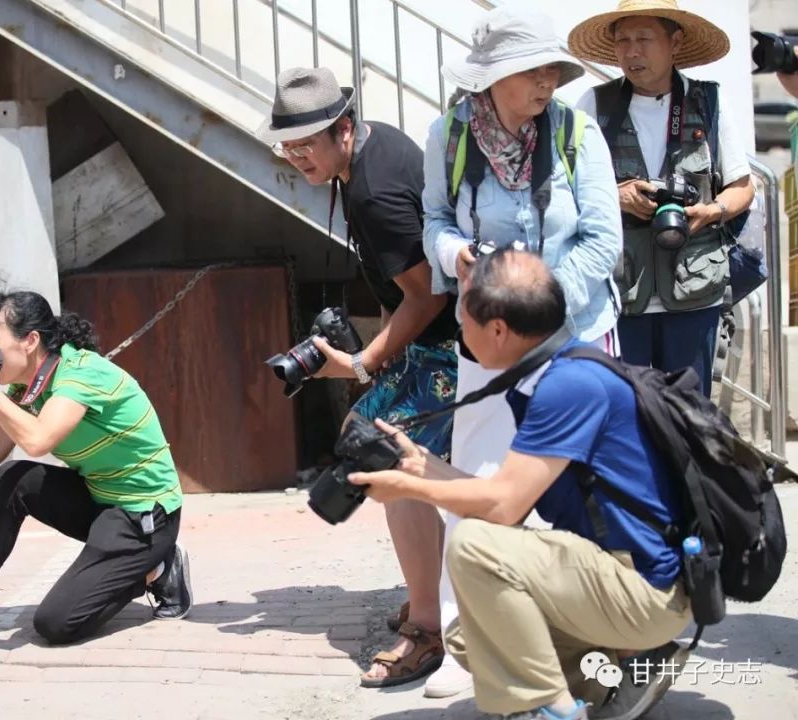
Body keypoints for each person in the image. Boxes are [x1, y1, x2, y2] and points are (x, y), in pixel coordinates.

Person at [350, 250, 691, 720]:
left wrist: (412, 489)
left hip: (647, 590)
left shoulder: (570, 385)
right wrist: (417, 463)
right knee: (471, 636)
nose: (460, 336)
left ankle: (549, 709)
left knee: (473, 544)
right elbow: (508, 493)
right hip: (616, 573)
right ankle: (623, 670)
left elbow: (504, 504)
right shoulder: (550, 373)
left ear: (497, 330)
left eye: (462, 321)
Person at [420, 5, 622, 697]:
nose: (548, 84)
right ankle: (463, 643)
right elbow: (435, 223)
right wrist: (458, 255)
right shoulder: (447, 137)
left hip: (574, 335)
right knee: (471, 482)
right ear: (496, 77)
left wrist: (531, 301)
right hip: (487, 338)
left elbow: (604, 241)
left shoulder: (576, 132)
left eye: (553, 72)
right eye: (534, 71)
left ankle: (592, 640)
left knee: (581, 491)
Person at [257, 67, 461, 692]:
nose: (297, 158)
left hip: (452, 347)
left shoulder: (370, 191)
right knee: (400, 464)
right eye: (288, 147)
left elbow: (424, 295)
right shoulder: (375, 148)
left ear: (344, 129)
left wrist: (368, 360)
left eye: (307, 145)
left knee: (384, 459)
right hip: (447, 342)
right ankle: (435, 598)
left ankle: (428, 627)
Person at [0, 291, 192, 654]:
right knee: (12, 478)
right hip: (100, 499)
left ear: (30, 340)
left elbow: (37, 440)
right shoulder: (27, 388)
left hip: (144, 514)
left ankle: (157, 568)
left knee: (55, 623)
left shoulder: (82, 373)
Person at [569, 0, 755, 396]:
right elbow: (562, 189)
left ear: (675, 42)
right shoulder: (594, 106)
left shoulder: (708, 103)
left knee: (688, 419)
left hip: (695, 292)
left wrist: (712, 211)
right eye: (622, 41)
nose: (631, 51)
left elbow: (743, 186)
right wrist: (614, 196)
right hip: (619, 295)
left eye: (643, 39)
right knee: (624, 419)